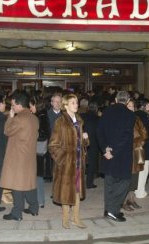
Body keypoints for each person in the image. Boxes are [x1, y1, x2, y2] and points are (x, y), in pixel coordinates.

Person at [49, 94, 89, 229]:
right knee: (66, 191)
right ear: (65, 105)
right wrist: (63, 159)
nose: (76, 105)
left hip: (78, 163)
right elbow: (53, 145)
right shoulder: (60, 122)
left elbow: (82, 143)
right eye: (73, 102)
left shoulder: (79, 121)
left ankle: (76, 218)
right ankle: (65, 219)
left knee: (77, 191)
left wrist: (85, 139)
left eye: (77, 102)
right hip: (66, 165)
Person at [97, 91, 135, 222]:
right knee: (124, 182)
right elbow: (125, 137)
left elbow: (99, 131)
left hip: (108, 153)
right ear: (128, 100)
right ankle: (113, 210)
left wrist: (104, 149)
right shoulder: (130, 114)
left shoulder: (106, 112)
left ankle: (108, 210)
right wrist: (114, 151)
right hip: (121, 155)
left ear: (116, 99)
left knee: (109, 182)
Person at [1, 92, 39, 221]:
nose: (12, 108)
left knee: (17, 184)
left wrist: (10, 117)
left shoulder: (19, 118)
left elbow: (7, 131)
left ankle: (17, 213)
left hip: (18, 157)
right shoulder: (34, 118)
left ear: (18, 105)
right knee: (29, 183)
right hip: (29, 155)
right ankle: (34, 208)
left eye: (12, 105)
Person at [122, 99, 147, 212]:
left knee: (136, 175)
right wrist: (137, 139)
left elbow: (143, 131)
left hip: (138, 150)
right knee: (127, 176)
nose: (131, 108)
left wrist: (141, 140)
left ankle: (132, 199)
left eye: (132, 106)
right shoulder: (123, 119)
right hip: (128, 151)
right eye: (129, 106)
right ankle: (124, 201)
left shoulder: (136, 118)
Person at [29, 96, 50, 208]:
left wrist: (31, 136)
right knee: (38, 176)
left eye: (31, 106)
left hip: (37, 150)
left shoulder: (40, 117)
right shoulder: (42, 115)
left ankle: (38, 201)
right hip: (40, 150)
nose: (30, 108)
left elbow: (42, 135)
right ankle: (39, 200)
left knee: (37, 176)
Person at [81, 101, 101, 189]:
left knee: (81, 163)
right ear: (96, 109)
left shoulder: (82, 116)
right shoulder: (98, 119)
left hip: (82, 142)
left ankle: (79, 182)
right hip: (94, 144)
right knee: (92, 164)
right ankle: (89, 183)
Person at [45, 93, 62, 182]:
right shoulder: (46, 115)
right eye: (55, 102)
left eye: (59, 102)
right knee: (51, 164)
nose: (58, 103)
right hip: (50, 142)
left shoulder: (65, 115)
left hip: (62, 144)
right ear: (51, 103)